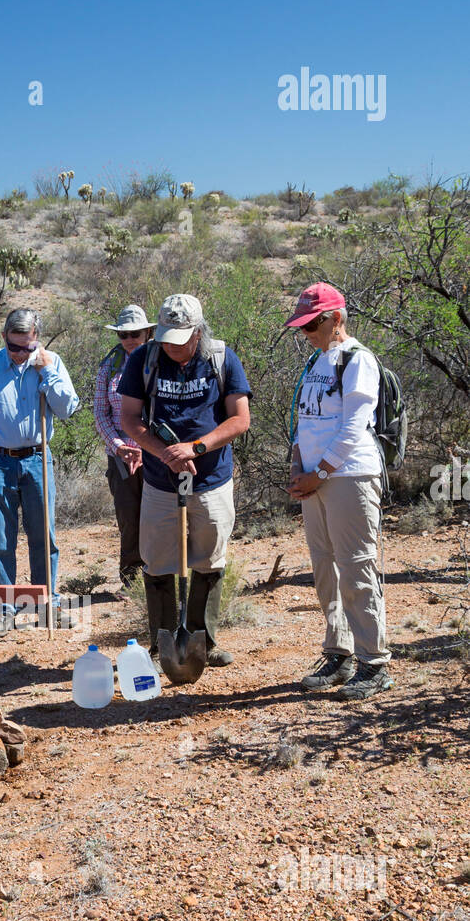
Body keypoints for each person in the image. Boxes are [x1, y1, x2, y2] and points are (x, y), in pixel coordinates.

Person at [118, 294, 251, 666]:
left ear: (198, 333)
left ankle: (203, 642)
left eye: (179, 340)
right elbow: (130, 418)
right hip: (161, 480)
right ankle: (163, 645)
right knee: (158, 560)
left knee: (209, 559)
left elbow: (240, 419)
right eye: (165, 338)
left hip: (212, 479)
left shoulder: (221, 358)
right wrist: (164, 453)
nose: (171, 347)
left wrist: (195, 448)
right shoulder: (145, 359)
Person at [284, 283, 392, 700]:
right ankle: (340, 653)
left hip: (349, 477)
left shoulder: (358, 360)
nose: (308, 331)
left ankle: (374, 662)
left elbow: (353, 426)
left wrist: (321, 472)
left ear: (337, 319)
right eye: (303, 325)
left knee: (356, 567)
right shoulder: (317, 360)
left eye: (314, 323)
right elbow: (305, 419)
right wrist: (299, 464)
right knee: (325, 569)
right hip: (317, 480)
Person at [0, 309, 80, 637]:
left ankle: (47, 604)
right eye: (14, 347)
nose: (20, 354)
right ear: (4, 338)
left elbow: (68, 408)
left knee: (44, 536)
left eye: (27, 348)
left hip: (38, 459)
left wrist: (48, 373)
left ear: (36, 340)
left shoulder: (49, 361)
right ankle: (4, 609)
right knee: (2, 538)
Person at [93, 304, 153, 590]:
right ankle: (131, 582)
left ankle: (160, 577)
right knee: (129, 517)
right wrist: (119, 446)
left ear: (147, 332)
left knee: (159, 516)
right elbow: (100, 414)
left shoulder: (159, 361)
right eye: (123, 334)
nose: (130, 339)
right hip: (120, 457)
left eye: (135, 333)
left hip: (155, 454)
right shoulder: (109, 366)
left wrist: (147, 446)